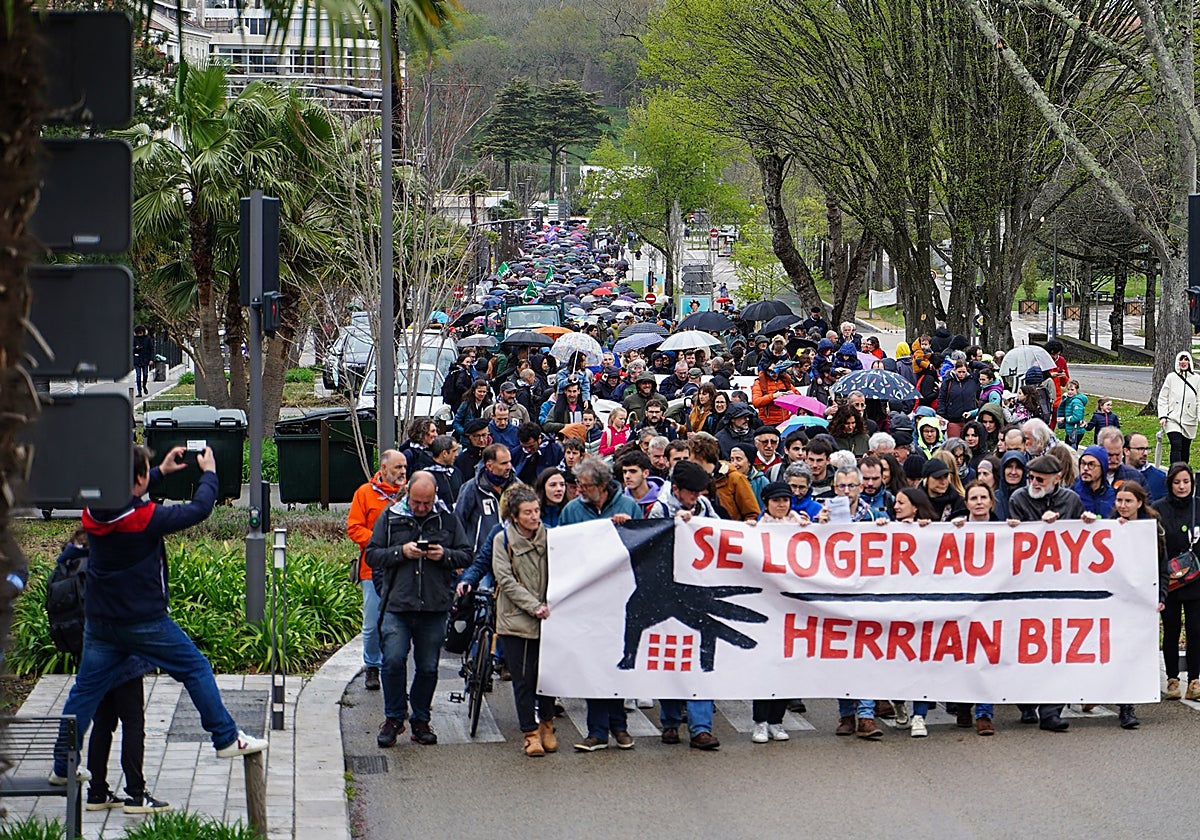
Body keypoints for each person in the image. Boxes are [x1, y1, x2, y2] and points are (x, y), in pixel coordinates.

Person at [53, 445, 268, 786]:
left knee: (84, 692)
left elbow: (126, 491)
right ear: (138, 479)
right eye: (146, 472)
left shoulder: (93, 512)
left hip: (101, 622)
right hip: (143, 621)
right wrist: (210, 473)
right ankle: (226, 737)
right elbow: (198, 509)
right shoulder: (144, 519)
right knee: (195, 668)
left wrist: (160, 472)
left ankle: (62, 767)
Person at [366, 472, 471, 749]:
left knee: (427, 667)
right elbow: (372, 555)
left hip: (434, 606)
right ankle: (394, 718)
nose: (421, 508)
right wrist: (401, 552)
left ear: (435, 496)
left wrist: (444, 556)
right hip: (397, 605)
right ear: (407, 494)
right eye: (416, 502)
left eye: (427, 503)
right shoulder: (391, 517)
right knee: (392, 661)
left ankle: (421, 720)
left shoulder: (447, 518)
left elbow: (466, 554)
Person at [559, 457, 643, 752]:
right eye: (578, 484)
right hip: (587, 598)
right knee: (592, 665)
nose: (579, 490)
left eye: (585, 485)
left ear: (603, 485)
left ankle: (619, 726)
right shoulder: (572, 510)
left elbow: (643, 545)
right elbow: (563, 548)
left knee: (616, 662)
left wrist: (628, 527)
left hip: (620, 597)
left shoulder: (628, 506)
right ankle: (596, 731)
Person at [1008, 454, 1096, 732]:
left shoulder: (1071, 500)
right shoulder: (1019, 498)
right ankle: (1026, 703)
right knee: (1026, 648)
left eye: (1040, 479)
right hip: (1027, 589)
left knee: (1057, 648)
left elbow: (1079, 541)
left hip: (1060, 588)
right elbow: (1014, 543)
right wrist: (1033, 525)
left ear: (1057, 479)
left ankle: (1051, 711)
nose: (1033, 482)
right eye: (1031, 477)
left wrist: (1087, 523)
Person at [491, 484, 558, 757]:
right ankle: (530, 734)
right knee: (523, 679)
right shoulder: (502, 540)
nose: (534, 517)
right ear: (514, 516)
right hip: (515, 620)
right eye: (527, 512)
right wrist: (533, 606)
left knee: (549, 676)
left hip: (548, 619)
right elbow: (505, 579)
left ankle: (547, 725)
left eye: (536, 511)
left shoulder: (551, 537)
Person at [1108, 480, 1169, 728]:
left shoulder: (1152, 529)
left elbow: (1161, 567)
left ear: (1139, 503)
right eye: (1119, 501)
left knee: (1131, 653)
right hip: (1114, 601)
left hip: (1140, 602)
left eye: (1128, 501)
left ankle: (1127, 707)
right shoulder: (1108, 527)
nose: (1123, 506)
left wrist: (1161, 596)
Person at [347, 450, 407, 693]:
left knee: (400, 624)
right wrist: (380, 542)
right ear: (383, 469)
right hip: (372, 568)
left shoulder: (411, 494)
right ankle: (372, 665)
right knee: (372, 623)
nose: (403, 472)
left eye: (404, 467)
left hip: (404, 568)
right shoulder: (364, 493)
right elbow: (354, 528)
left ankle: (395, 667)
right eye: (397, 467)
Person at [1153, 463, 1200, 702]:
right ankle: (1172, 679)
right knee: (1171, 630)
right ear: (1169, 483)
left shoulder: (1198, 506)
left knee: (1196, 630)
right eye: (1177, 482)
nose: (1182, 487)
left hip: (1196, 580)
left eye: (1186, 482)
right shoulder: (1158, 509)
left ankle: (1194, 680)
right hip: (1169, 580)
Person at [454, 443, 516, 557]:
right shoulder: (472, 488)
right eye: (504, 463)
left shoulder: (517, 487)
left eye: (509, 462)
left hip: (510, 554)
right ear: (489, 466)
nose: (509, 467)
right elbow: (458, 521)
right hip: (479, 555)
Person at [1158, 350, 1199, 464]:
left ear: (1190, 362)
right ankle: (1175, 471)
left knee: (1185, 449)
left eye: (1186, 359)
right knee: (1176, 444)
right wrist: (1163, 416)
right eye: (1181, 359)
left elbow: (1199, 400)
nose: (1183, 362)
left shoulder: (1197, 379)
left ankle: (1183, 470)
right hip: (1173, 418)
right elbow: (1163, 398)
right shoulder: (1171, 377)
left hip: (1189, 420)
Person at [1073, 445, 1115, 518]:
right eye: (1083, 463)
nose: (1085, 468)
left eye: (1091, 464)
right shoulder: (1072, 494)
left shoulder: (1113, 496)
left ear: (1103, 468)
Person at [1125, 432, 1168, 502]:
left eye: (1146, 449)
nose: (1145, 453)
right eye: (1140, 449)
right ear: (1126, 451)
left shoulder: (1159, 478)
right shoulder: (1114, 473)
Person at [1058, 380, 1088, 448]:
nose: (1069, 392)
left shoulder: (1076, 402)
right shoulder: (1069, 400)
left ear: (1077, 390)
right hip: (1071, 429)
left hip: (1076, 430)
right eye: (1068, 389)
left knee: (1071, 449)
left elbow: (1077, 417)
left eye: (1072, 390)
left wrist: (1065, 419)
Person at [132, 325, 153, 398]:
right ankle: (139, 391)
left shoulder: (148, 339)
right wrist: (136, 348)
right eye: (138, 333)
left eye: (140, 333)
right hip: (137, 360)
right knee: (138, 376)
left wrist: (151, 359)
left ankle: (144, 385)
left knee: (145, 374)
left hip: (145, 359)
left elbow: (151, 349)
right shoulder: (134, 339)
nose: (139, 334)